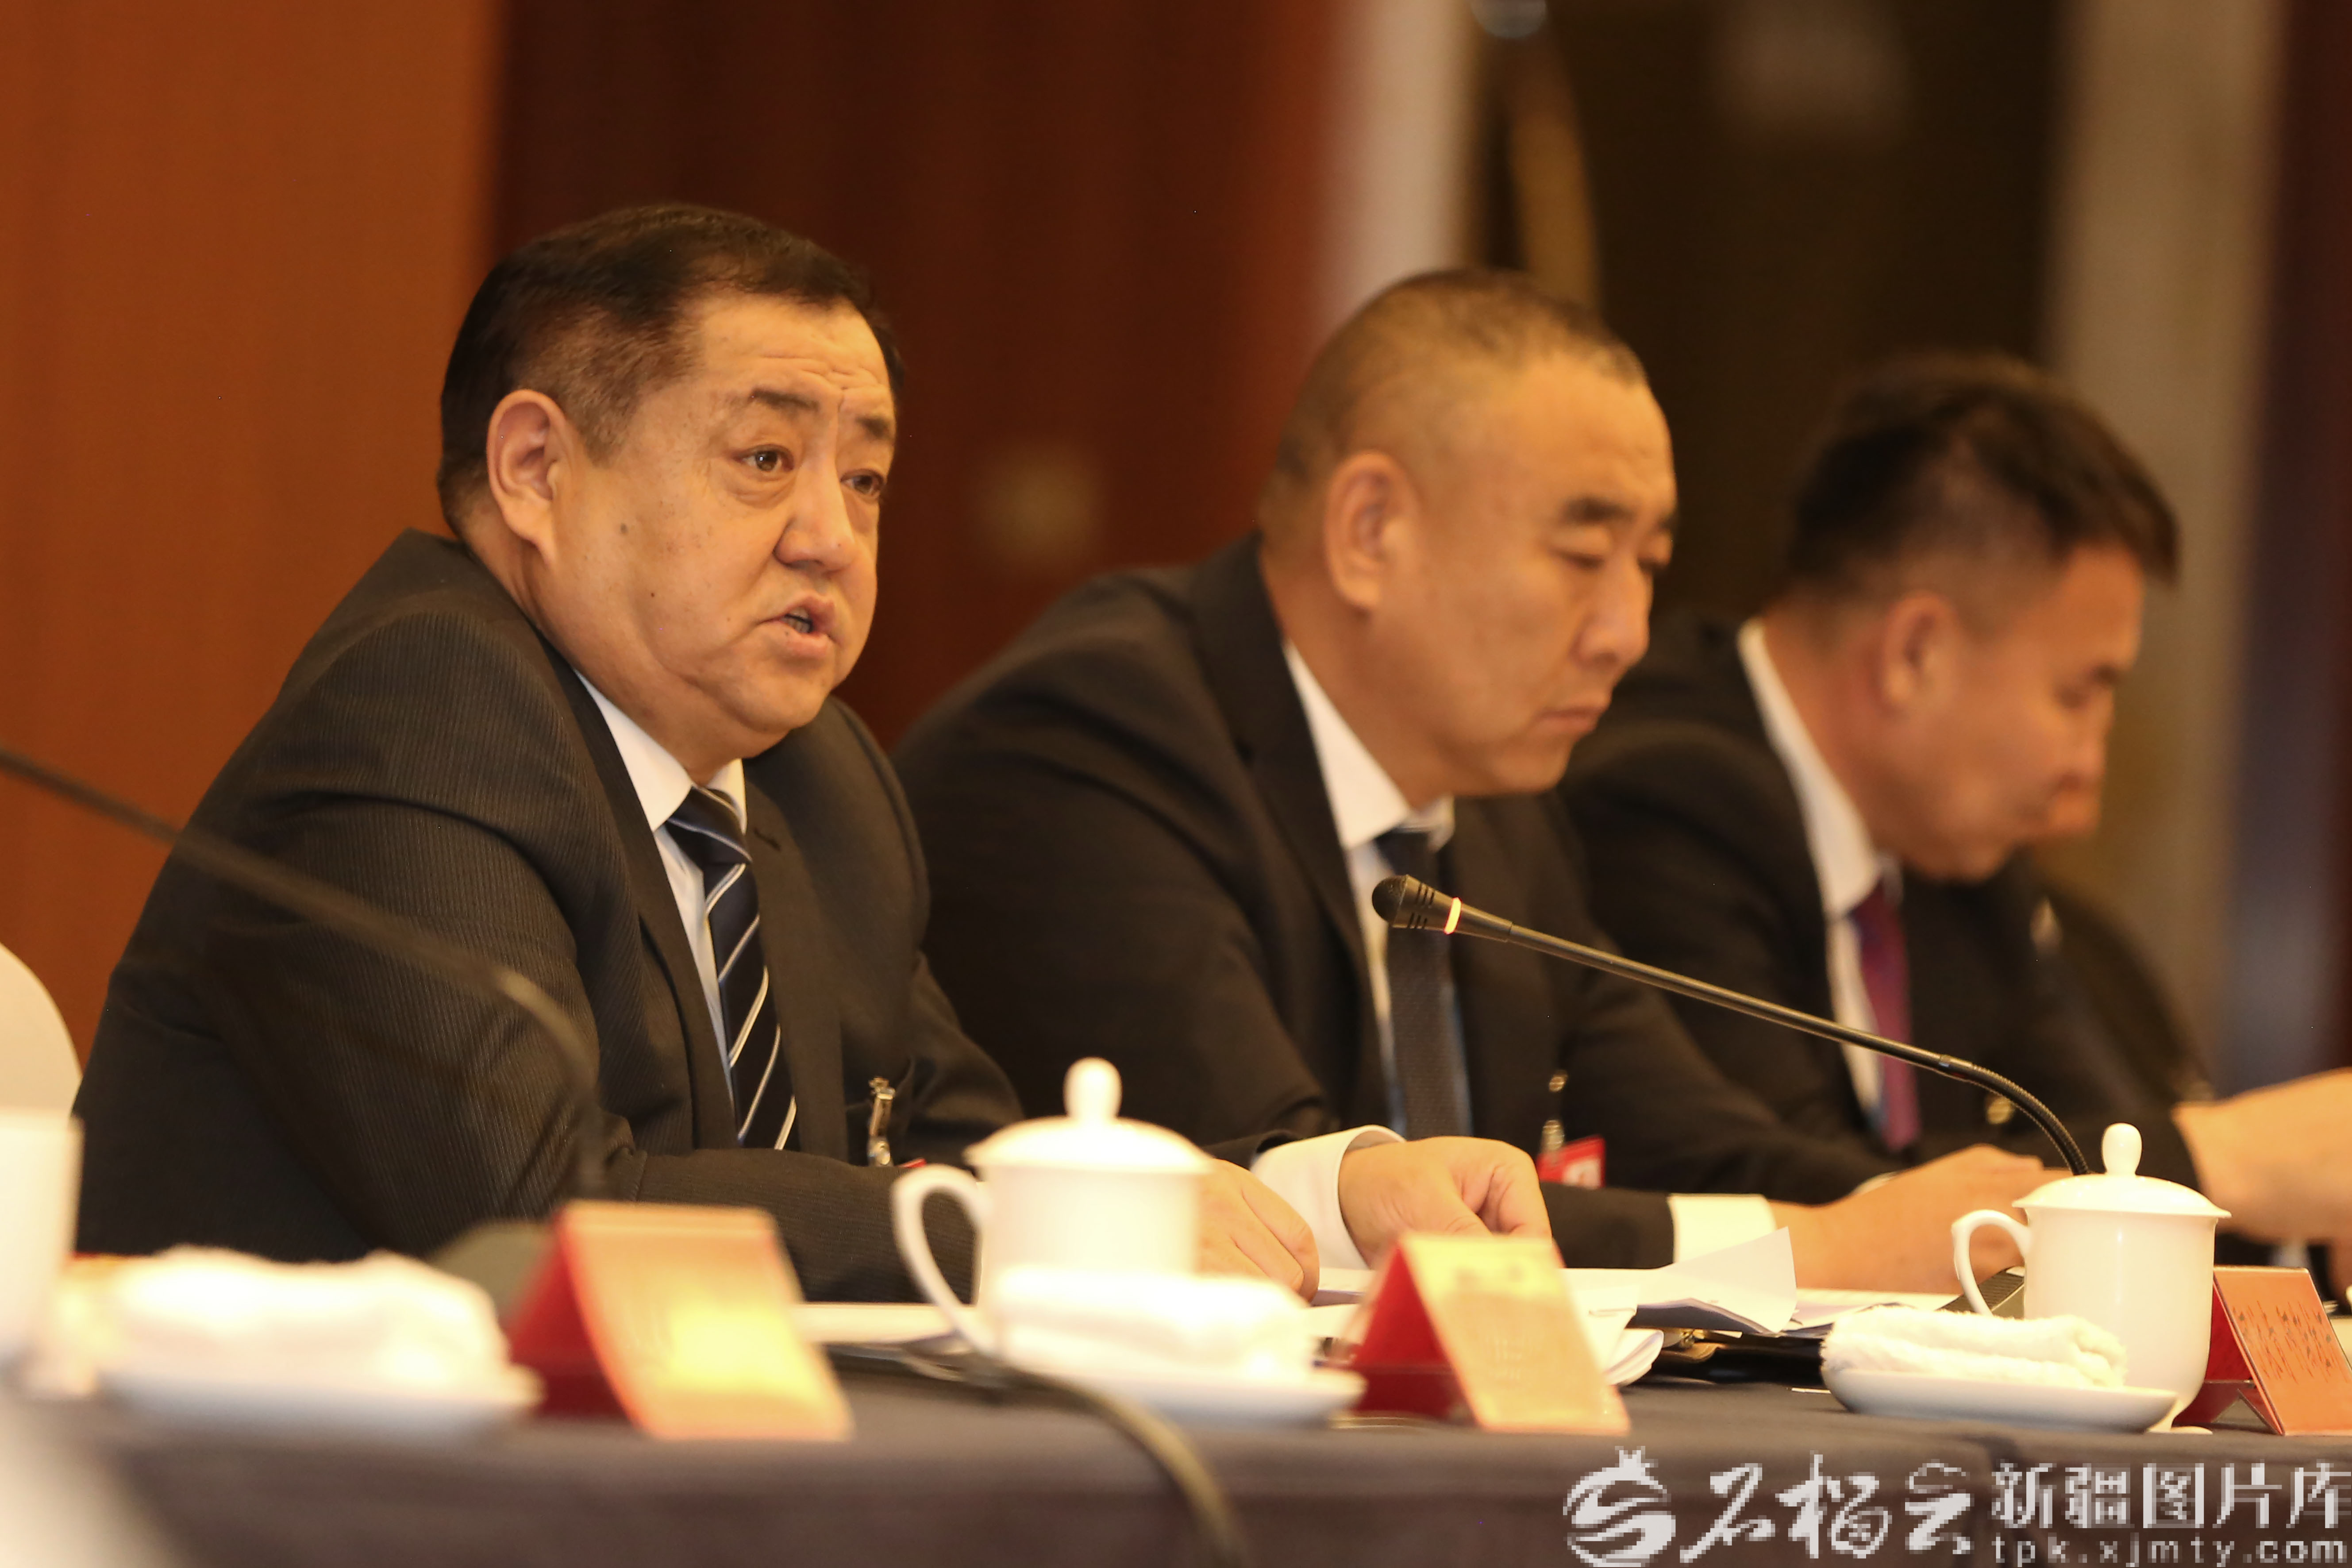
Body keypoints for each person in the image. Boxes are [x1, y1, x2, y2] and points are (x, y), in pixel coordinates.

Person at [70, 206, 1548, 1301]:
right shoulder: (420, 707)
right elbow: (537, 1206)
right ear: (534, 469)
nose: (831, 537)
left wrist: (1321, 1195)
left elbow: (968, 1145)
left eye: (867, 477)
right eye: (766, 460)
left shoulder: (816, 780)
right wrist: (1013, 1228)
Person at [896, 270, 2049, 1290]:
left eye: (1649, 564)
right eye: (1583, 556)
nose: (1627, 631)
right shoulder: (1091, 743)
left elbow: (1697, 1144)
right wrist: (1819, 1248)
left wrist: (1923, 1219)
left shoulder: (1497, 806)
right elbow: (1300, 1195)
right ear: (1370, 530)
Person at [1560, 351, 2352, 1283]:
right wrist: (2230, 1159)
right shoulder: (1660, 797)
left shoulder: (1954, 843)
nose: (2088, 770)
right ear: (1916, 654)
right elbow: (1795, 1201)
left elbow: (2094, 1132)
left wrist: (2302, 1209)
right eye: (2078, 694)